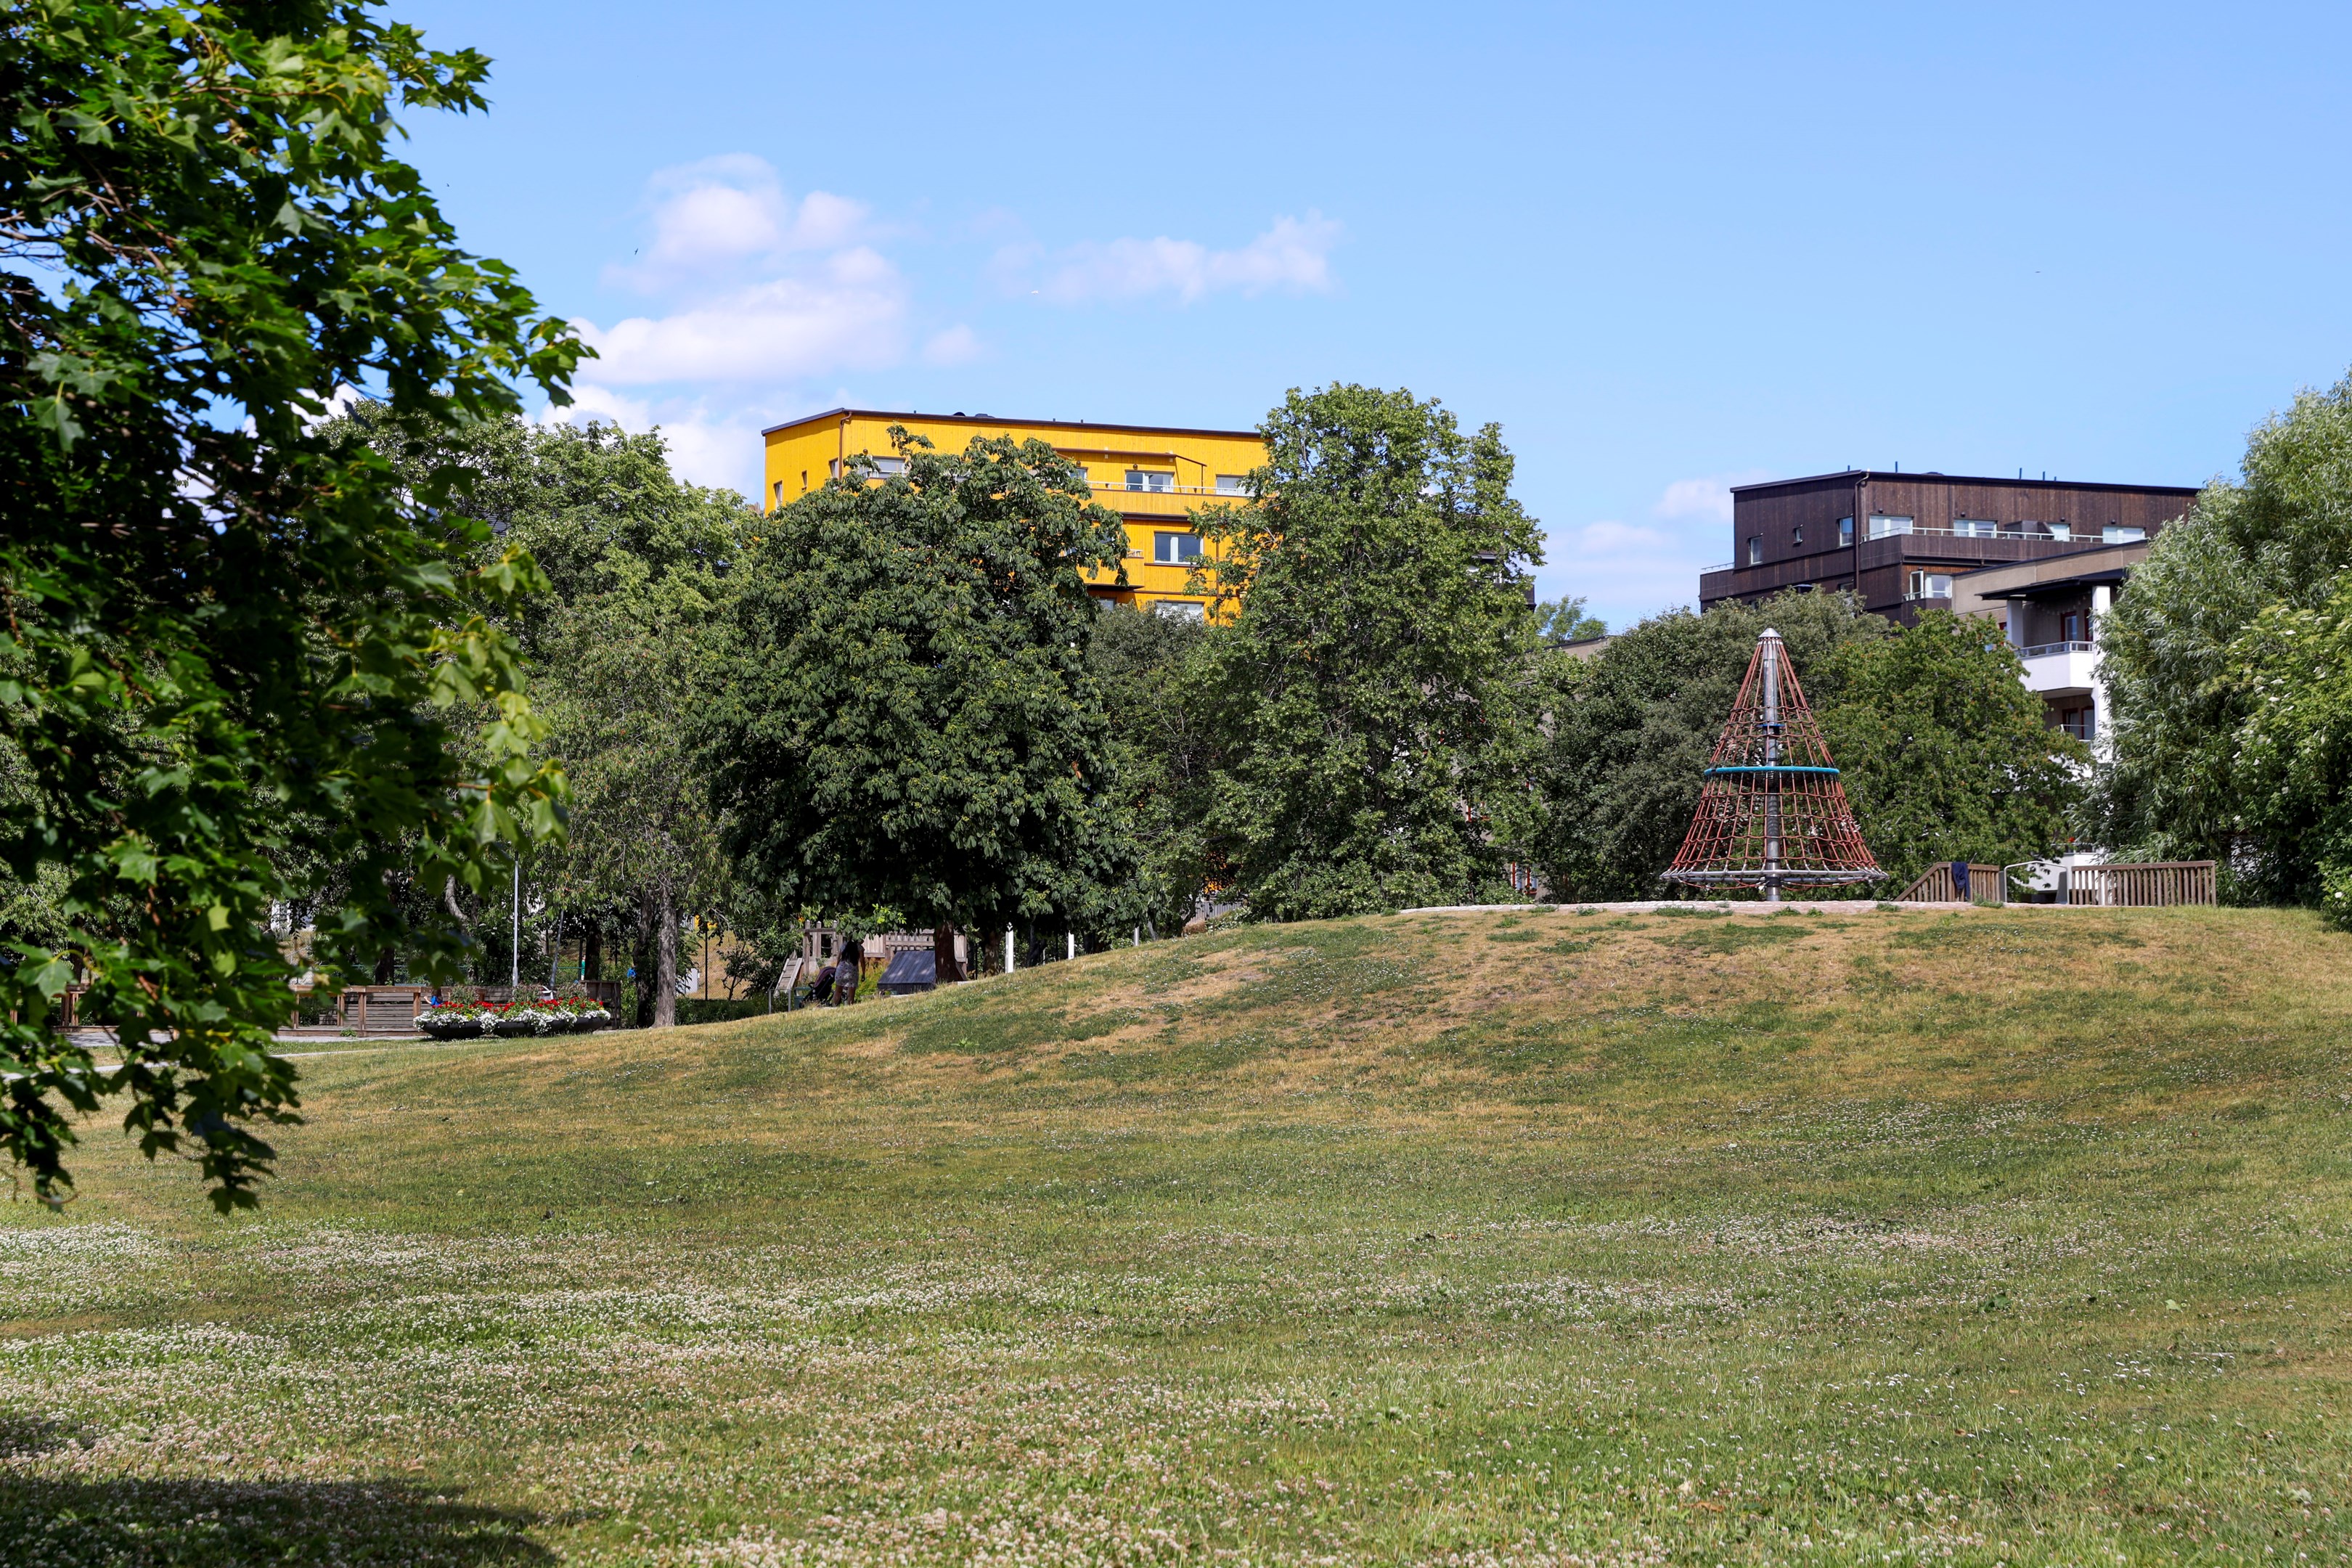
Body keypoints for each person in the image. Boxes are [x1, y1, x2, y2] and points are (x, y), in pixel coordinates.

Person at [832, 937, 863, 1006]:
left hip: (841, 971)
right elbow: (862, 961)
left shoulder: (844, 945)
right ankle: (849, 1008)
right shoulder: (859, 947)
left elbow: (838, 958)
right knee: (851, 995)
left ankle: (833, 1006)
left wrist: (837, 968)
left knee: (838, 991)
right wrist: (864, 974)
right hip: (852, 972)